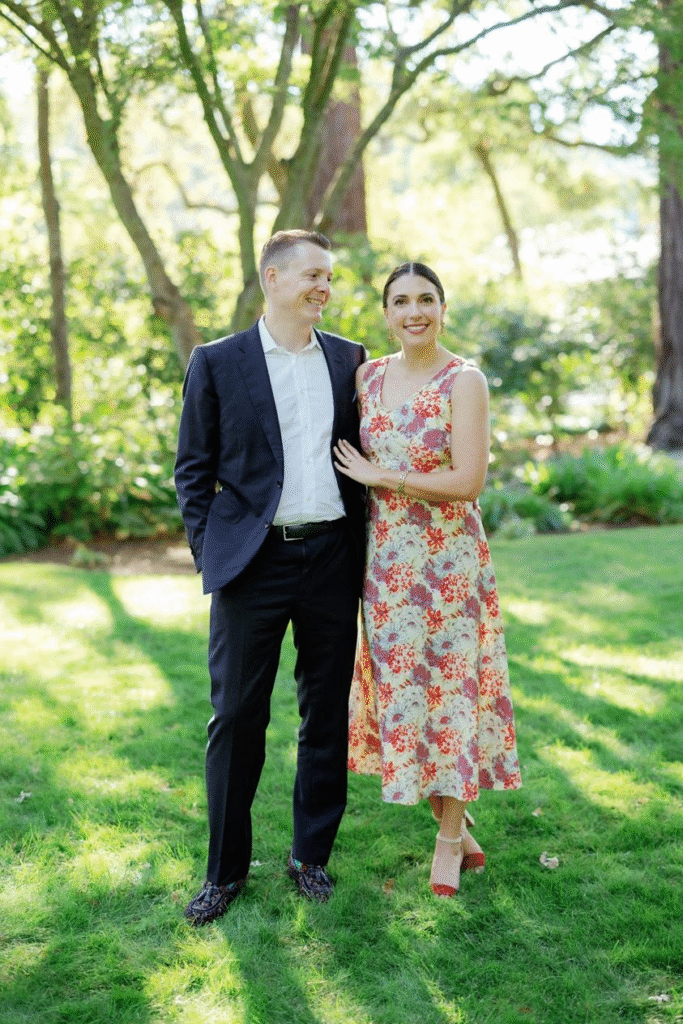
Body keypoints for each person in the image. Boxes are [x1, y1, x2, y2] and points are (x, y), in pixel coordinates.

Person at [175, 229, 366, 926]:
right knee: (235, 717)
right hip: (250, 564)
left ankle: (309, 857)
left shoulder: (350, 359)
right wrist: (213, 552)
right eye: (313, 275)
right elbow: (192, 470)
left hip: (332, 558)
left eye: (329, 277)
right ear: (274, 278)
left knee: (326, 713)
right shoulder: (217, 361)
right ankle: (224, 873)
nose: (324, 287)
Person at [334, 261, 522, 898]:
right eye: (401, 301)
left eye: (426, 299)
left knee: (452, 694)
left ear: (443, 308)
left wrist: (382, 477)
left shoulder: (464, 380)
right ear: (386, 314)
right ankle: (456, 824)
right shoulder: (367, 377)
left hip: (449, 567)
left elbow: (468, 481)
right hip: (387, 567)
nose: (414, 311)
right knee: (404, 697)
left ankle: (447, 839)